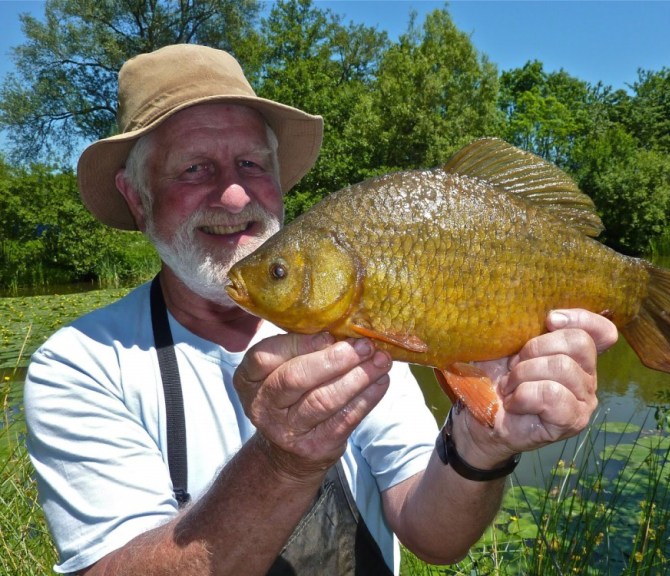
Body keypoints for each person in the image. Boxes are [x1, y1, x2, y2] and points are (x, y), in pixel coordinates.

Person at [24, 44, 618, 576]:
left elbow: (432, 535)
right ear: (136, 195)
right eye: (195, 168)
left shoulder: (350, 326)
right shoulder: (80, 365)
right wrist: (282, 465)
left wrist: (482, 445)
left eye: (252, 164)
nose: (234, 194)